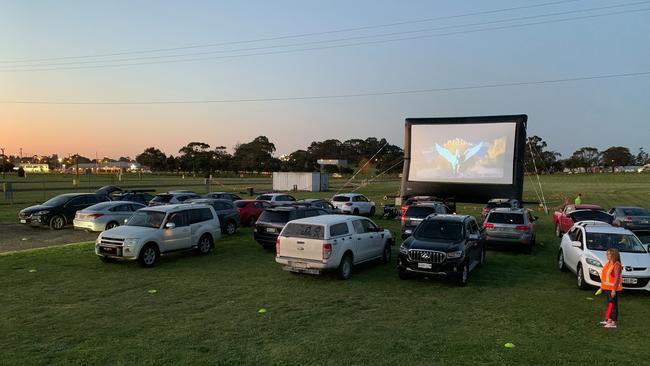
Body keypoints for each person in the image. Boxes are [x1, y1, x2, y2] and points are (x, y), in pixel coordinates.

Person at [599, 248, 622, 328]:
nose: (606, 255)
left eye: (608, 254)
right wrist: (602, 286)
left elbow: (617, 278)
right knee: (609, 304)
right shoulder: (609, 263)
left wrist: (613, 290)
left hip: (612, 289)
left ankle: (613, 322)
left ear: (613, 255)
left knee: (613, 305)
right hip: (607, 288)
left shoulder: (616, 265)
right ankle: (608, 319)